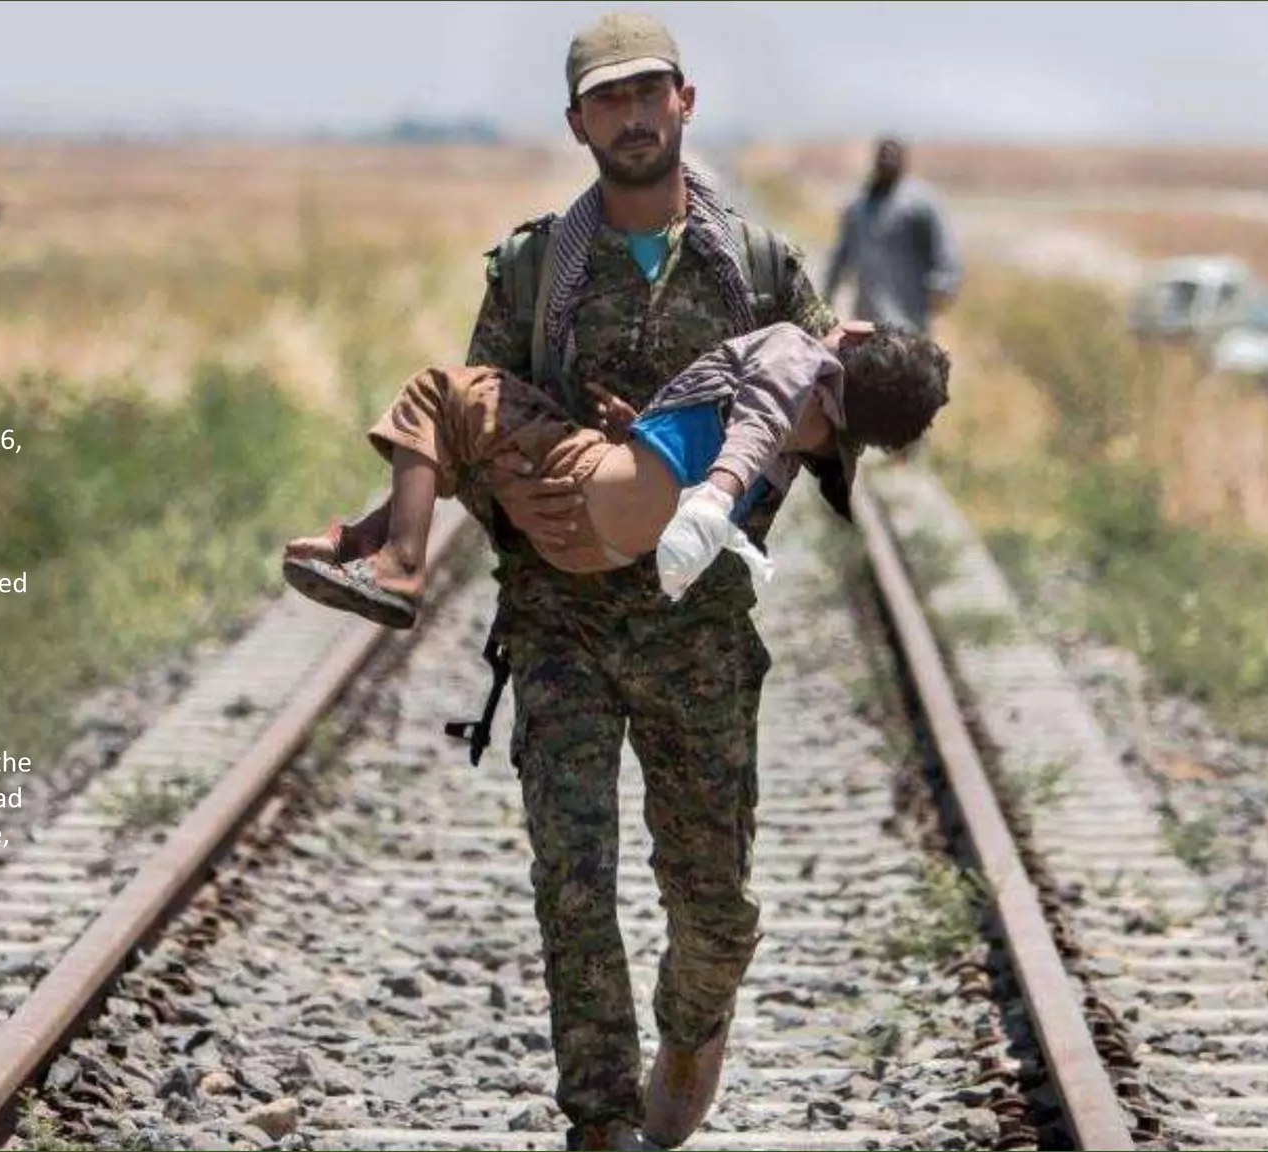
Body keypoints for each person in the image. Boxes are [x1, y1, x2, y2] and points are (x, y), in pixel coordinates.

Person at [425, 12, 841, 1151]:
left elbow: (822, 420)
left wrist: (697, 485)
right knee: (573, 882)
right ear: (576, 125)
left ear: (685, 102)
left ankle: (691, 1030)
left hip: (695, 626)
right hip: (557, 621)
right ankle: (599, 1121)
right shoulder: (530, 272)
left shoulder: (758, 267)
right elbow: (474, 421)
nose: (633, 114)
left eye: (648, 91)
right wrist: (527, 496)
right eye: (607, 99)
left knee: (712, 901)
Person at [282, 320, 950, 626]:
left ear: (858, 337)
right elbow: (735, 437)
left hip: (579, 495)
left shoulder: (795, 354)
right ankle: (361, 547)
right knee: (473, 434)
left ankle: (397, 560)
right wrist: (642, 432)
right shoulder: (820, 449)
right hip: (597, 546)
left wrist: (714, 495)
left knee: (440, 394)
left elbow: (756, 422)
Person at [822, 136, 963, 335]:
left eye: (893, 155)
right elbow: (841, 253)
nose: (887, 160)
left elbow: (944, 248)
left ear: (904, 161)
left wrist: (943, 285)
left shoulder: (921, 203)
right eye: (883, 155)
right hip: (867, 316)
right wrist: (827, 293)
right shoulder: (860, 205)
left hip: (908, 317)